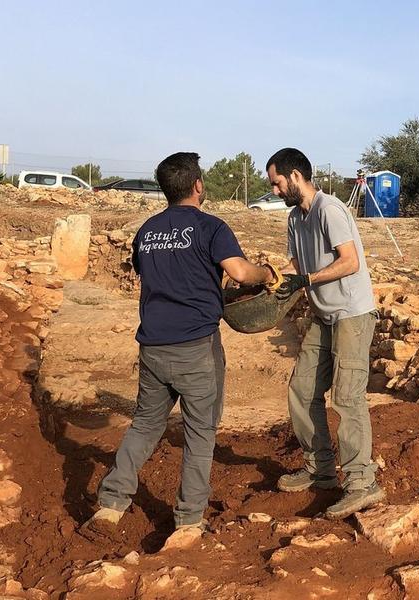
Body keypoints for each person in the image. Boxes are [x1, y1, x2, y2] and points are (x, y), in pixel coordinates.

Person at [84, 152, 278, 549]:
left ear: (165, 189)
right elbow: (240, 273)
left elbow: (154, 272)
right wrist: (266, 273)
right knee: (200, 433)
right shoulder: (210, 227)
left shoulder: (147, 231)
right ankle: (188, 521)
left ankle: (111, 503)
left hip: (153, 346)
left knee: (145, 424)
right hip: (196, 348)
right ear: (198, 186)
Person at [265, 147, 384, 520]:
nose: (274, 190)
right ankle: (320, 469)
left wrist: (308, 280)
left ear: (296, 176)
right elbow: (297, 263)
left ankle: (362, 483)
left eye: (277, 183)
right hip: (323, 313)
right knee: (302, 390)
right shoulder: (294, 219)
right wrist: (275, 279)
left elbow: (350, 261)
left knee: (347, 397)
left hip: (351, 313)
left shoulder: (329, 209)